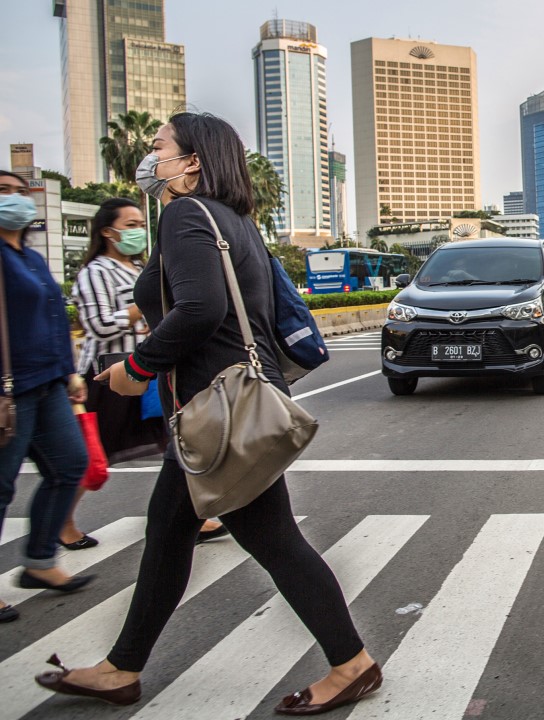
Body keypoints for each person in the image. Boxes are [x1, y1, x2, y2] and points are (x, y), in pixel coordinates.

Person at [36, 113, 381, 715]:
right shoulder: (232, 219)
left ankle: (351, 663)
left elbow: (200, 310)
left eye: (159, 146)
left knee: (271, 541)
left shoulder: (190, 217)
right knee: (171, 536)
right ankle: (122, 667)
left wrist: (135, 369)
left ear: (192, 160)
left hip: (218, 410)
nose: (149, 155)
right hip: (225, 405)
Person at [0, 170, 94, 625]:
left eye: (20, 192)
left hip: (50, 382)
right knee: (1, 486)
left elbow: (59, 318)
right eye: (4, 192)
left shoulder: (33, 258)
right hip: (9, 389)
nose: (15, 200)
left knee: (70, 465)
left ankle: (39, 560)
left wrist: (70, 371)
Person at [64, 198, 167, 550]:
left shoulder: (137, 268)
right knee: (96, 453)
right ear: (109, 232)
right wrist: (143, 307)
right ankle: (62, 521)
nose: (140, 231)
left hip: (141, 369)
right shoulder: (96, 272)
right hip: (107, 375)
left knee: (173, 443)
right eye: (132, 225)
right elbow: (100, 325)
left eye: (141, 224)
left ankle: (189, 517)